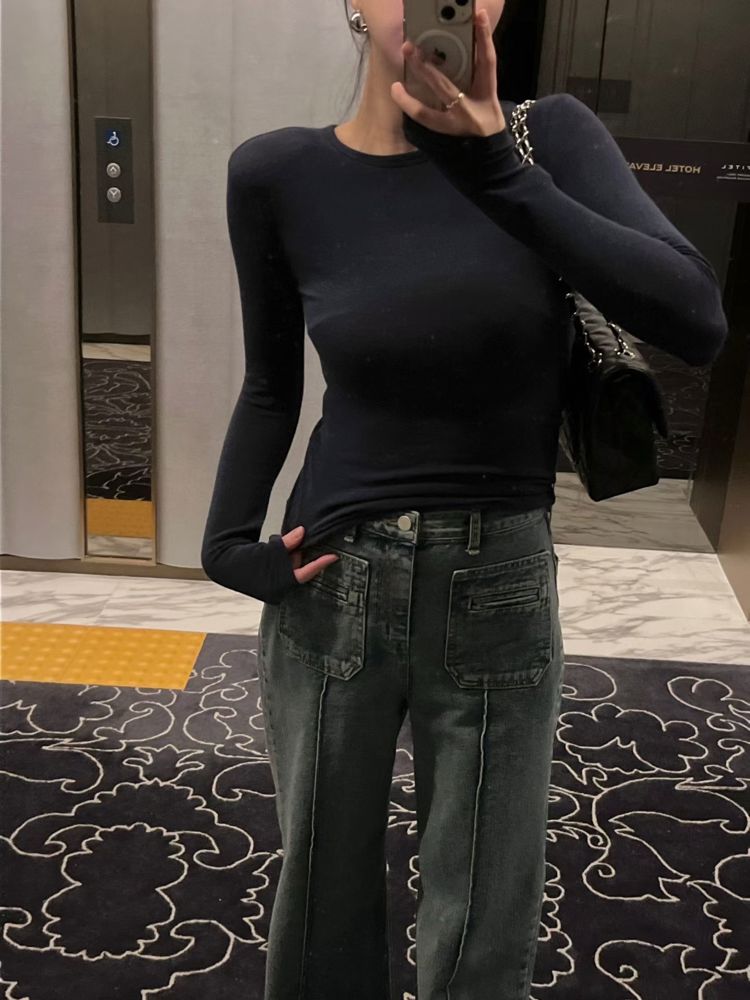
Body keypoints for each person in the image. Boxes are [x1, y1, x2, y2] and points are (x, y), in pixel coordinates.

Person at [200, 3, 729, 998]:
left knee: (485, 916)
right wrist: (227, 543)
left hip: (499, 582)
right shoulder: (276, 172)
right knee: (319, 901)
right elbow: (271, 385)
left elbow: (696, 317)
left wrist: (500, 172)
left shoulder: (549, 139)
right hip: (336, 579)